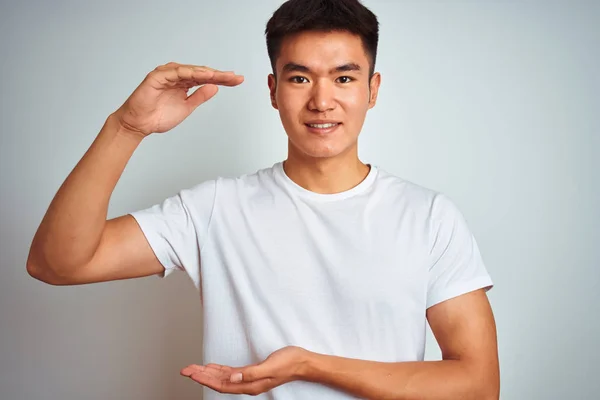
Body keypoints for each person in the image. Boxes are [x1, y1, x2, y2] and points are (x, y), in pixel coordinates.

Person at [26, 0, 500, 398]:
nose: (321, 101)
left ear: (372, 90)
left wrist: (310, 365)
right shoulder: (216, 209)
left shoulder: (428, 216)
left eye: (344, 78)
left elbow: (479, 384)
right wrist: (126, 128)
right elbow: (58, 264)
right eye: (299, 79)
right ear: (273, 91)